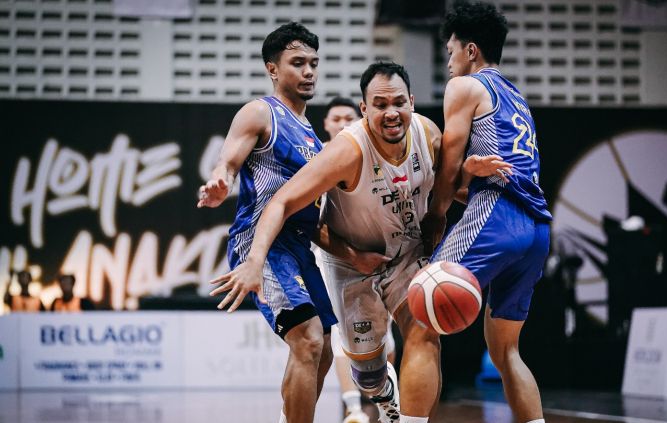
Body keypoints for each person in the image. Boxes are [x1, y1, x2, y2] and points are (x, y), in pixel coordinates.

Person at [209, 61, 461, 423]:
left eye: (399, 103)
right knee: (366, 372)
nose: (391, 113)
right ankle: (379, 391)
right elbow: (282, 203)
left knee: (423, 332)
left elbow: (453, 184)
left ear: (412, 102)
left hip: (407, 252)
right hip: (349, 260)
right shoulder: (343, 152)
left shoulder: (429, 135)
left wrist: (466, 188)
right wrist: (256, 259)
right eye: (380, 105)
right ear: (364, 109)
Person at [197, 22, 336, 423]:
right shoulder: (261, 112)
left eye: (313, 63)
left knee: (323, 348)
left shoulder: (313, 136)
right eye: (297, 63)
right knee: (308, 340)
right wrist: (221, 179)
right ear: (273, 69)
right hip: (261, 243)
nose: (308, 71)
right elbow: (228, 159)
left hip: (299, 248)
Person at [422, 3, 552, 423]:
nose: (448, 61)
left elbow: (447, 171)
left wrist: (436, 219)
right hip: (536, 229)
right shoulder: (516, 98)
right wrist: (468, 176)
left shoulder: (464, 87)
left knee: (419, 317)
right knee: (505, 350)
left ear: (471, 50)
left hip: (497, 215)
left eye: (450, 52)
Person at [319, 96, 396, 423]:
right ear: (326, 124)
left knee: (385, 337)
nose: (340, 123)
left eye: (346, 117)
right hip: (333, 256)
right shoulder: (317, 156)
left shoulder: (375, 154)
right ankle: (353, 408)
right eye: (334, 118)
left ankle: (385, 403)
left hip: (378, 252)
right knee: (340, 333)